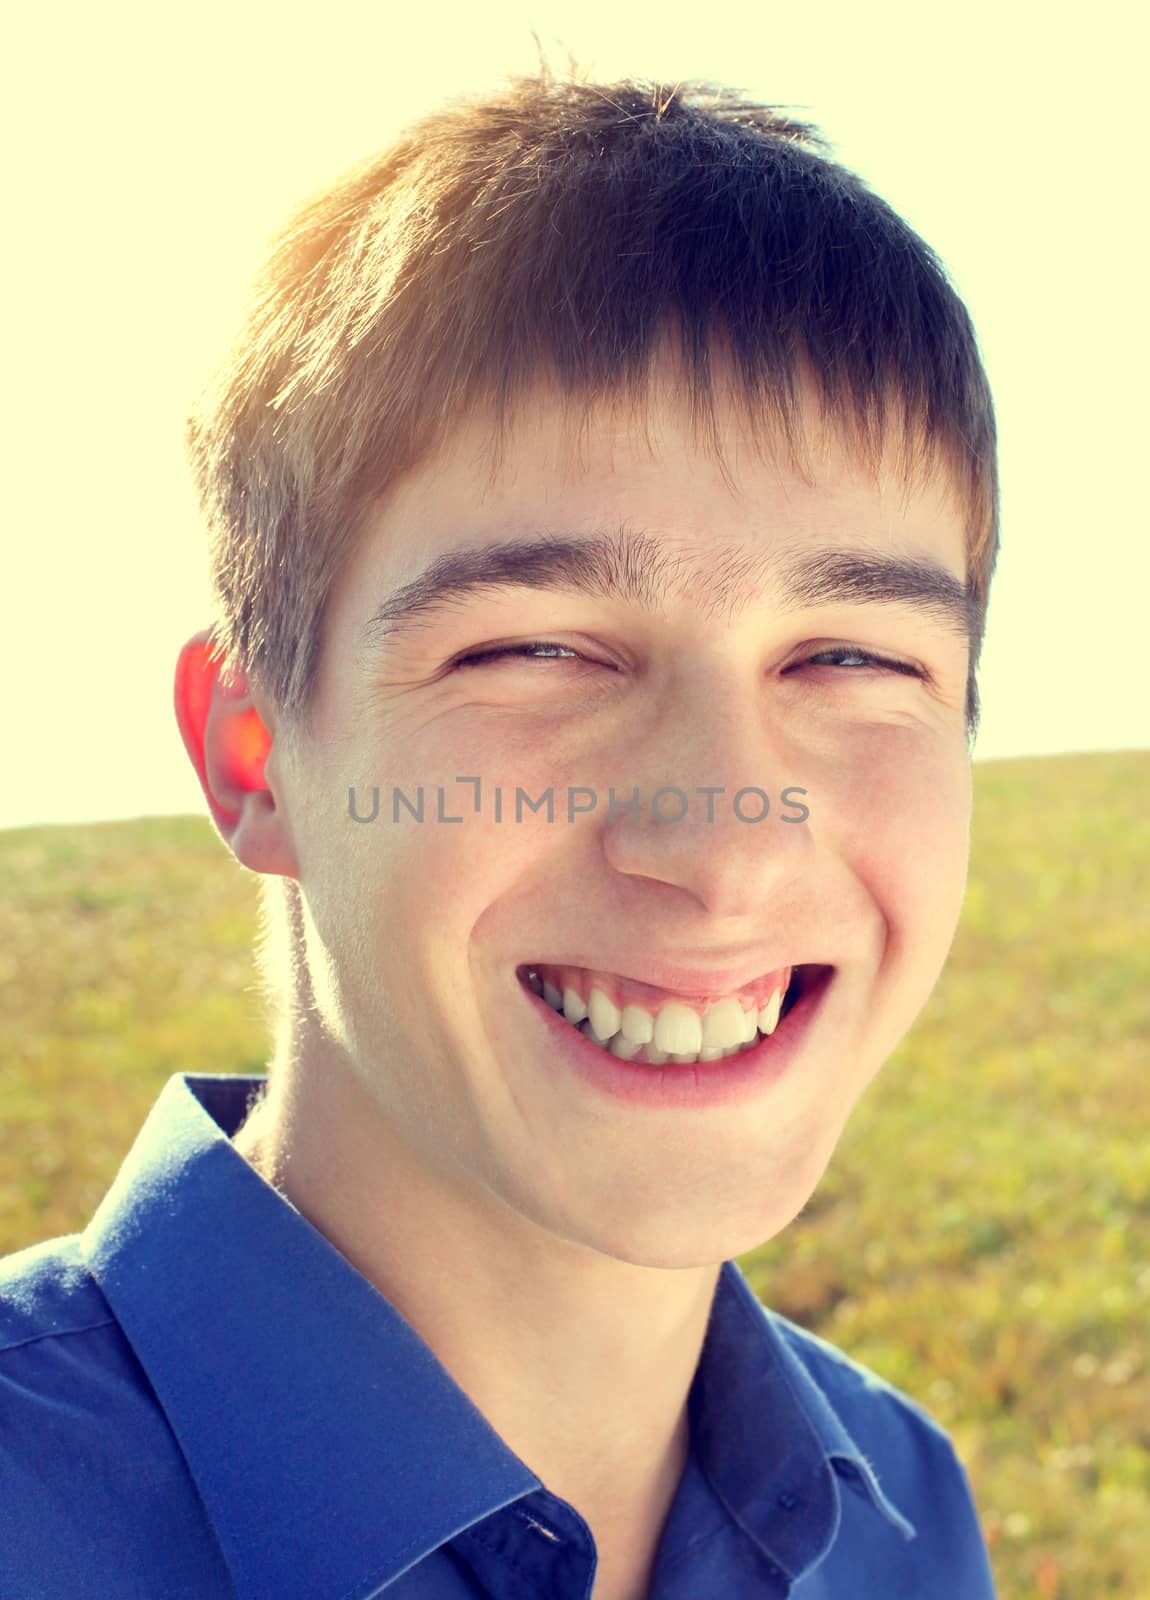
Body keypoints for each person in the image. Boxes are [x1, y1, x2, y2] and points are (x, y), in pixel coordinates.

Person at [0, 54, 1001, 1598]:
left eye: (853, 657)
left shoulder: (903, 1517)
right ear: (253, 753)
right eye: (536, 649)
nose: (727, 850)